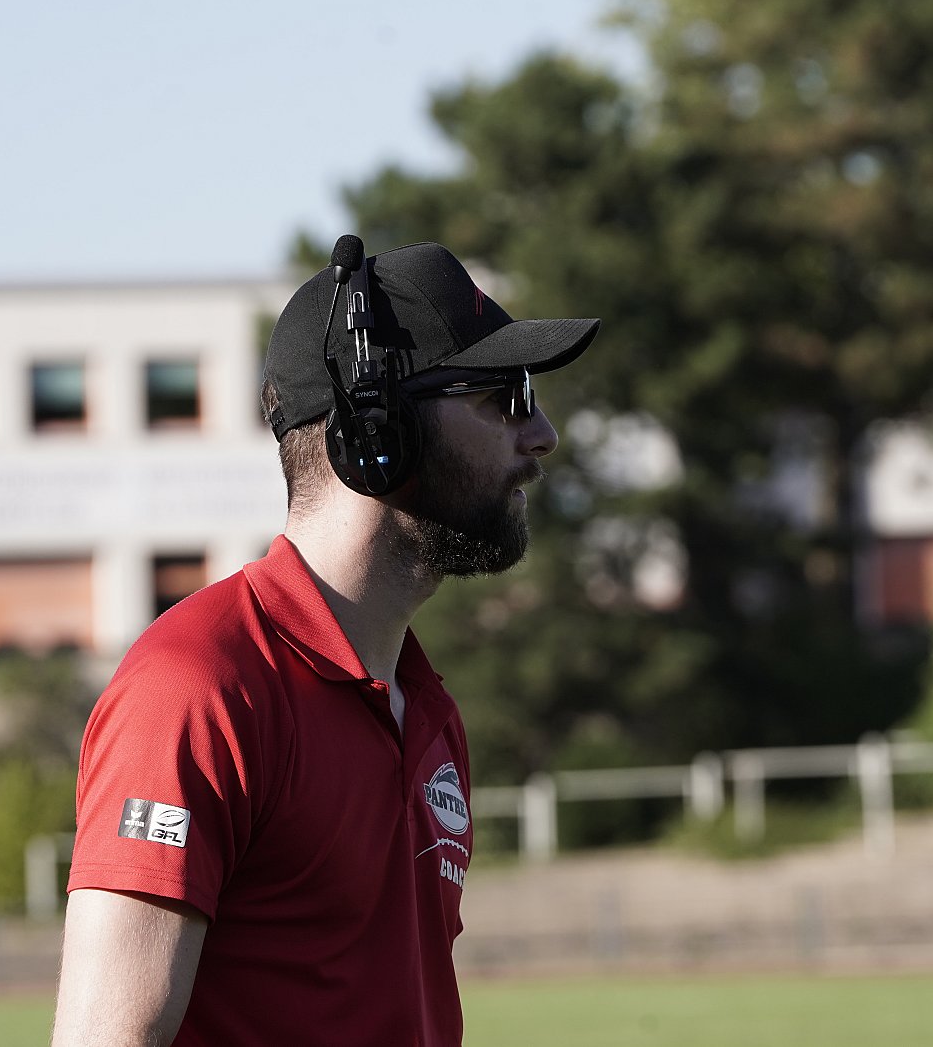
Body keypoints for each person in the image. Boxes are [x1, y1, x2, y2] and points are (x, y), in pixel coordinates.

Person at [51, 239, 599, 1047]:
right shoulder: (197, 687)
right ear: (378, 432)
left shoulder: (431, 710)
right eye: (503, 396)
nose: (542, 433)